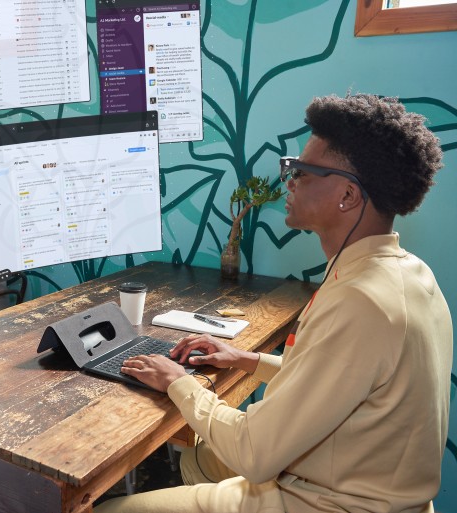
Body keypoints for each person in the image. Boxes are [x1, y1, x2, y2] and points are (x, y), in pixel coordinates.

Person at [95, 93, 452, 512]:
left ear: (348, 196)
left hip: (329, 503)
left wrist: (178, 380)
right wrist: (244, 359)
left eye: (301, 171)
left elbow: (254, 454)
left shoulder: (361, 301)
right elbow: (339, 377)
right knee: (199, 459)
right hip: (364, 485)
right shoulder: (406, 273)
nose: (290, 181)